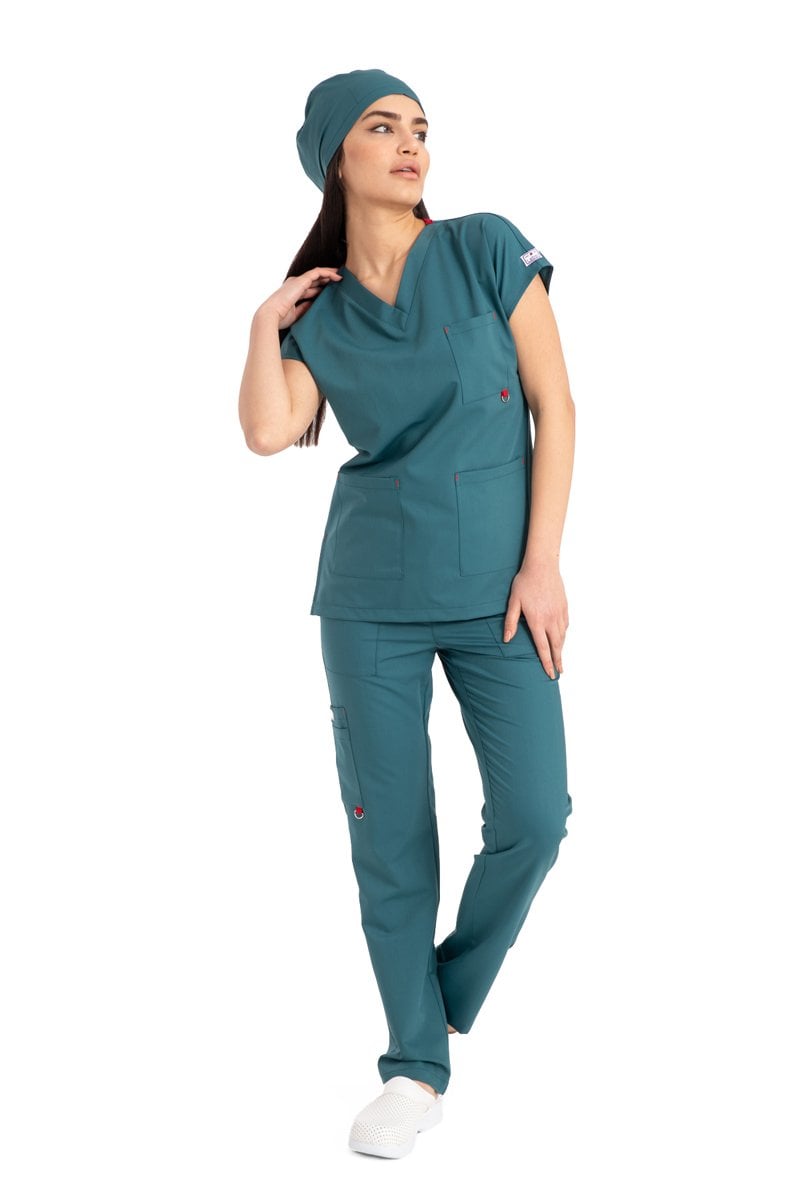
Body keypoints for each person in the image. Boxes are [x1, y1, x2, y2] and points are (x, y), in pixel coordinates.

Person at [238, 68, 575, 1159]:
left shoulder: (485, 249)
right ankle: (413, 1067)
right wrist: (261, 325)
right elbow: (267, 431)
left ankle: (438, 993)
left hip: (499, 594)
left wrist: (542, 564)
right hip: (369, 598)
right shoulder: (322, 313)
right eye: (381, 128)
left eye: (419, 128)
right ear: (335, 159)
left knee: (535, 815)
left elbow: (555, 404)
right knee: (391, 841)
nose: (409, 144)